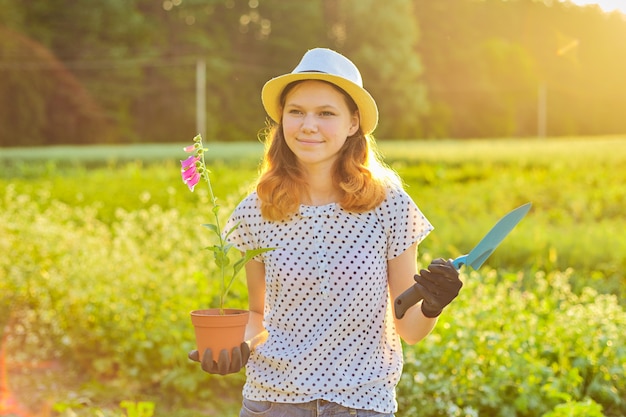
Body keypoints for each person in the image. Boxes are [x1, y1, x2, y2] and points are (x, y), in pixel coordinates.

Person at [188, 47, 462, 417]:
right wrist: (236, 347)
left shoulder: (389, 206)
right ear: (282, 120)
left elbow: (408, 330)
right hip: (273, 403)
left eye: (326, 113)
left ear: (353, 124)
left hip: (362, 404)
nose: (308, 125)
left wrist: (432, 304)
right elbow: (258, 315)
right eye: (296, 111)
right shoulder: (258, 207)